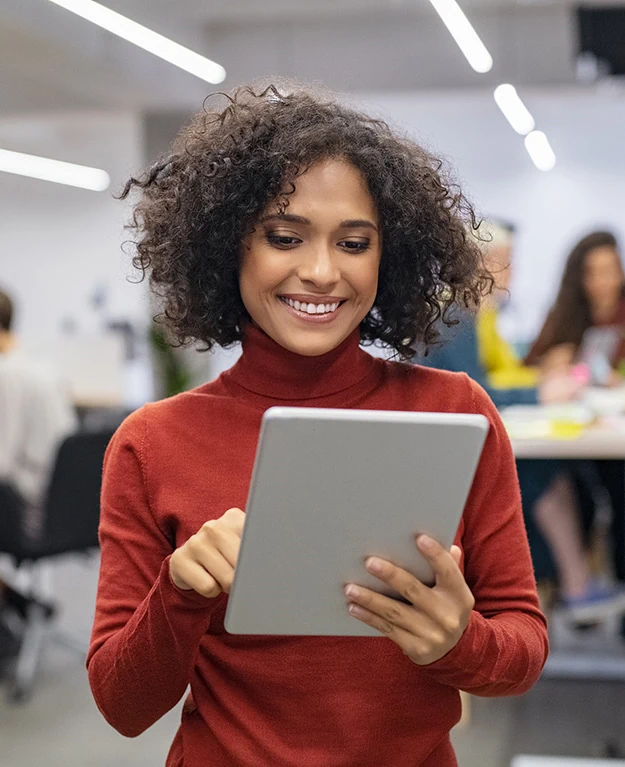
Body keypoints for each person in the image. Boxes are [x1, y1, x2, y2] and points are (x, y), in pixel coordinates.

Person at [87, 84, 548, 767]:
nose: (322, 271)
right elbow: (123, 707)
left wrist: (459, 641)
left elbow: (521, 651)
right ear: (228, 243)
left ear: (386, 255)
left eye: (353, 242)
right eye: (284, 236)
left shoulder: (455, 412)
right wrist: (180, 594)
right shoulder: (153, 443)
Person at [418, 223, 625, 622]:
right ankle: (575, 585)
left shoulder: (473, 315)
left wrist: (538, 380)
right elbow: (475, 392)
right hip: (450, 450)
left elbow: (496, 376)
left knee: (562, 471)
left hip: (456, 439)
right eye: (505, 264)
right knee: (543, 472)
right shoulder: (457, 318)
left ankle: (573, 585)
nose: (512, 274)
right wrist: (539, 390)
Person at [526, 231, 625, 614]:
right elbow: (530, 370)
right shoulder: (564, 315)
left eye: (610, 270)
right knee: (569, 487)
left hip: (611, 435)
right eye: (592, 272)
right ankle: (578, 590)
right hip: (575, 434)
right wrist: (549, 366)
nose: (603, 281)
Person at [0, 287, 77, 662]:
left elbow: (2, 463)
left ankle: (13, 607)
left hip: (29, 510)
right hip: (66, 509)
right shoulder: (42, 366)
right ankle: (20, 601)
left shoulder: (7, 375)